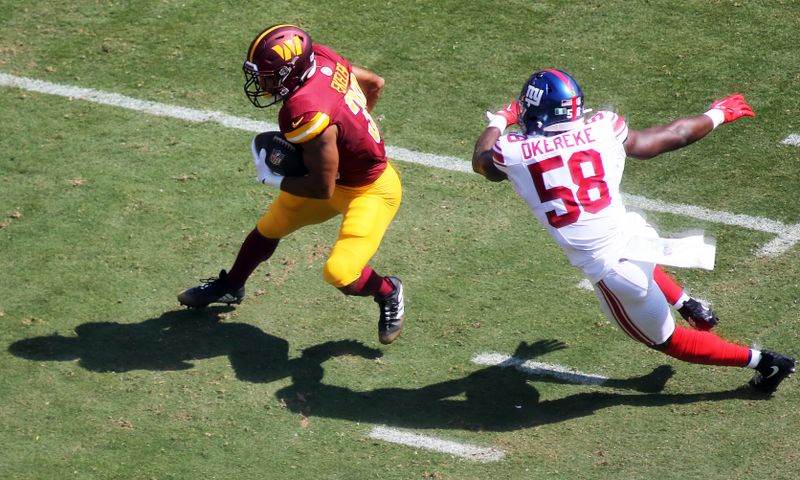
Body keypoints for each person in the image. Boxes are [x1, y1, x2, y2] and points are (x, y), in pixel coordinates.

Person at [472, 68, 795, 394]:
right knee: (629, 245)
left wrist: (499, 119)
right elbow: (670, 136)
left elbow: (482, 163)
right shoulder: (603, 125)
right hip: (634, 233)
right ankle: (688, 304)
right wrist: (717, 114)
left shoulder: (513, 151)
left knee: (667, 340)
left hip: (614, 270)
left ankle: (765, 362)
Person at [178, 24, 405, 345]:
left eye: (269, 76)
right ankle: (231, 287)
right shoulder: (321, 58)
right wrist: (351, 127)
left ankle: (389, 291)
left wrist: (273, 177)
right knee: (270, 226)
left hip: (370, 191)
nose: (262, 82)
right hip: (337, 177)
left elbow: (321, 189)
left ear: (290, 73)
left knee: (341, 272)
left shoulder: (304, 111)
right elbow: (374, 83)